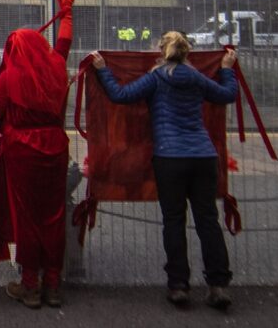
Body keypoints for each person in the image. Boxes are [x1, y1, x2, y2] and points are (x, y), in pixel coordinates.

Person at [90, 33, 238, 310]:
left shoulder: (156, 78)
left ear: (161, 51)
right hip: (204, 156)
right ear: (186, 53)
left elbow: (120, 95)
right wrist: (227, 70)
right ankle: (218, 286)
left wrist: (103, 71)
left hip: (169, 157)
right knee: (208, 220)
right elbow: (227, 94)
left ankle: (178, 285)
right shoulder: (196, 78)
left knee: (173, 221)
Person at [0, 0, 76, 309]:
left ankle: (30, 285)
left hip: (23, 149)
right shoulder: (55, 69)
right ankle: (53, 284)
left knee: (27, 219)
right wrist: (66, 13)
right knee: (53, 216)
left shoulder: (10, 77)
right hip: (55, 147)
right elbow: (64, 44)